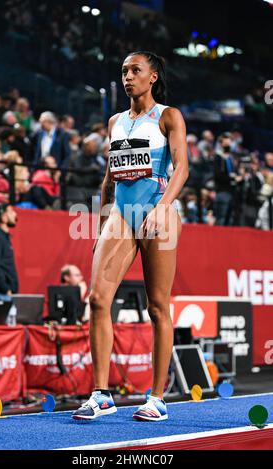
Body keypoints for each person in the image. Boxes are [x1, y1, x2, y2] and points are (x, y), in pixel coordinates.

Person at [72, 51, 188, 422]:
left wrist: (162, 207)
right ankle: (101, 394)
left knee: (157, 306)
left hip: (159, 212)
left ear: (153, 77)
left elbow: (182, 168)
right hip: (121, 215)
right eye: (124, 71)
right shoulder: (115, 122)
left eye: (136, 70)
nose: (128, 76)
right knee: (97, 299)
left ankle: (156, 397)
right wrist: (102, 221)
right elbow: (109, 177)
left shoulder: (168, 116)